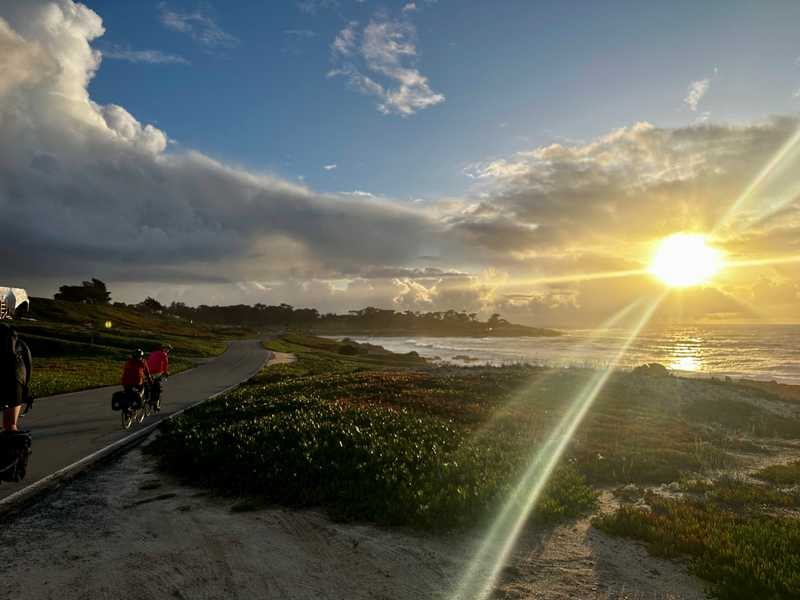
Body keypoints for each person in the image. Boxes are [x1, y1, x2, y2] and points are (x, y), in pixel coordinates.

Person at [1, 323, 31, 432]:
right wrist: (25, 389)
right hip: (17, 377)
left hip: (11, 376)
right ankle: (16, 448)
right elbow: (28, 364)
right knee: (11, 425)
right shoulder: (19, 344)